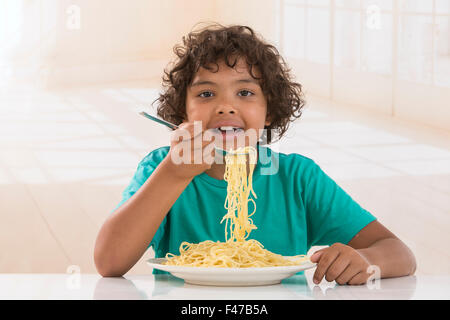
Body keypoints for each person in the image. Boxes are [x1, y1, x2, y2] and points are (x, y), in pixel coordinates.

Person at [94, 24, 416, 285]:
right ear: (183, 112)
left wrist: (367, 261)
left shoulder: (297, 179)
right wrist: (173, 174)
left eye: (245, 92)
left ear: (270, 112)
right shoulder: (161, 168)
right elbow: (109, 262)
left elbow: (400, 254)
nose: (225, 106)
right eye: (206, 93)